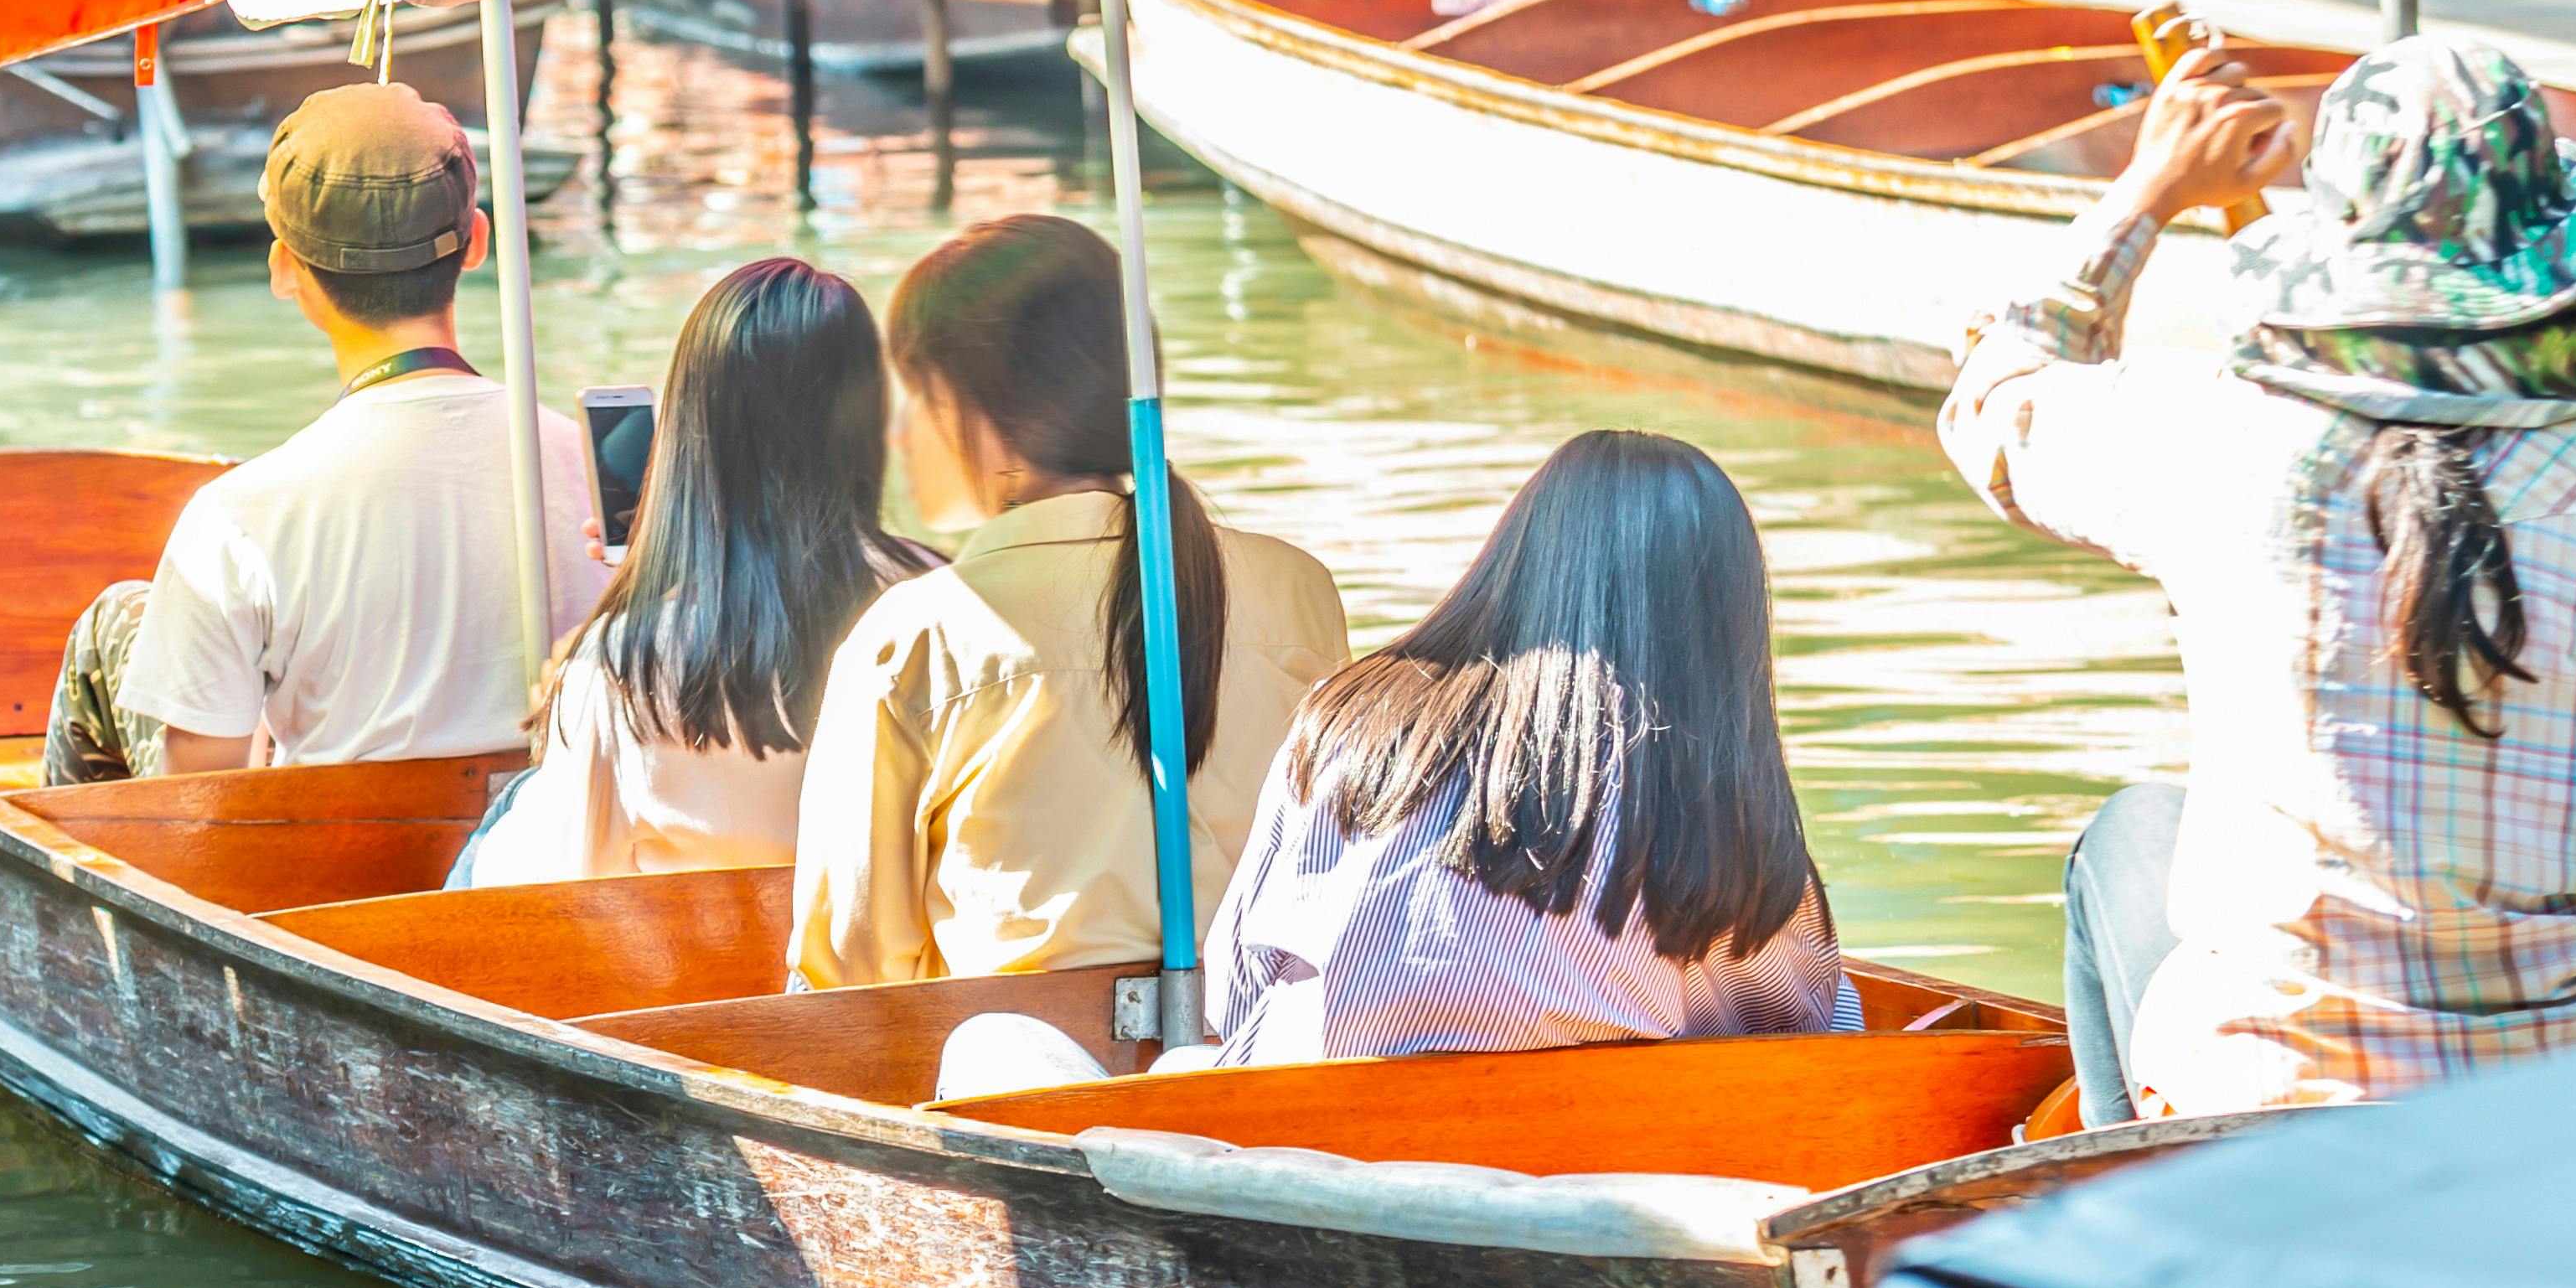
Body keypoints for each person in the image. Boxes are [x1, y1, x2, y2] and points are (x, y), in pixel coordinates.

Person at [1942, 31, 2576, 1121]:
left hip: (2271, 1099)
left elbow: (1995, 400)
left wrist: (2152, 188)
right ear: (2554, 267)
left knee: (2132, 833)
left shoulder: (2214, 435)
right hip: (2565, 1105)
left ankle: (2124, 1221)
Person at [789, 214, 1350, 994]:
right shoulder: (1299, 590)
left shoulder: (915, 635)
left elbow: (849, 961)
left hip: (1019, 1065)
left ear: (985, 412)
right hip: (1255, 1046)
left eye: (916, 392)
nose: (898, 429)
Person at [1203, 432, 1850, 1063]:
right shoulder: (1701, 793)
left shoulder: (1349, 716)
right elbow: (1796, 1019)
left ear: (1519, 555)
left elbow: (1235, 987)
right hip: (1589, 1142)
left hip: (1304, 1127)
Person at [48, 82, 608, 781]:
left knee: (116, 621)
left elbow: (200, 798)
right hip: (550, 842)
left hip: (331, 868)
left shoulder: (239, 518)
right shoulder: (605, 487)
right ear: (479, 243)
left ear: (286, 270)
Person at [456, 258, 931, 886]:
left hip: (702, 976)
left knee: (511, 811)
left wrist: (565, 714)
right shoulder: (938, 601)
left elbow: (552, 889)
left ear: (689, 431)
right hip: (890, 972)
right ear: (867, 414)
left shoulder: (626, 664)